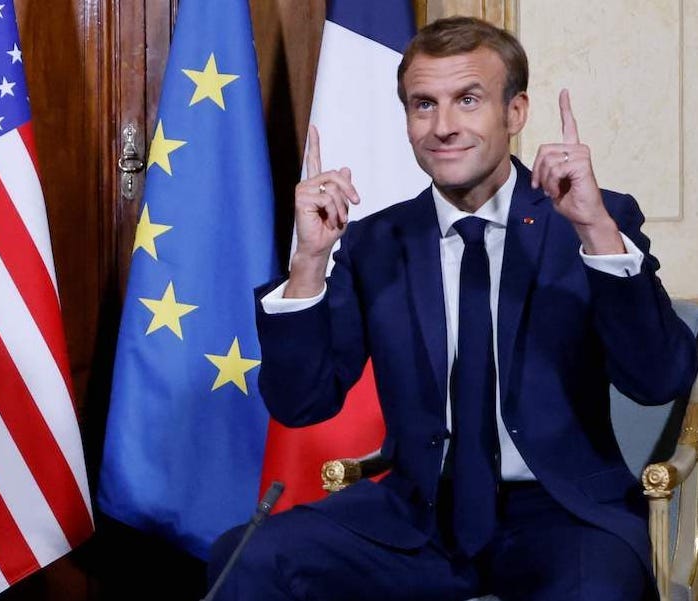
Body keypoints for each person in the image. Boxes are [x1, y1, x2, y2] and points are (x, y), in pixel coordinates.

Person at [208, 16, 697, 601]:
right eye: (423, 105)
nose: (443, 127)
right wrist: (309, 261)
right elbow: (301, 401)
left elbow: (659, 377)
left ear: (515, 113)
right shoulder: (375, 243)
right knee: (247, 558)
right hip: (416, 516)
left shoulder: (590, 221)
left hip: (563, 516)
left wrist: (596, 231)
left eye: (468, 100)